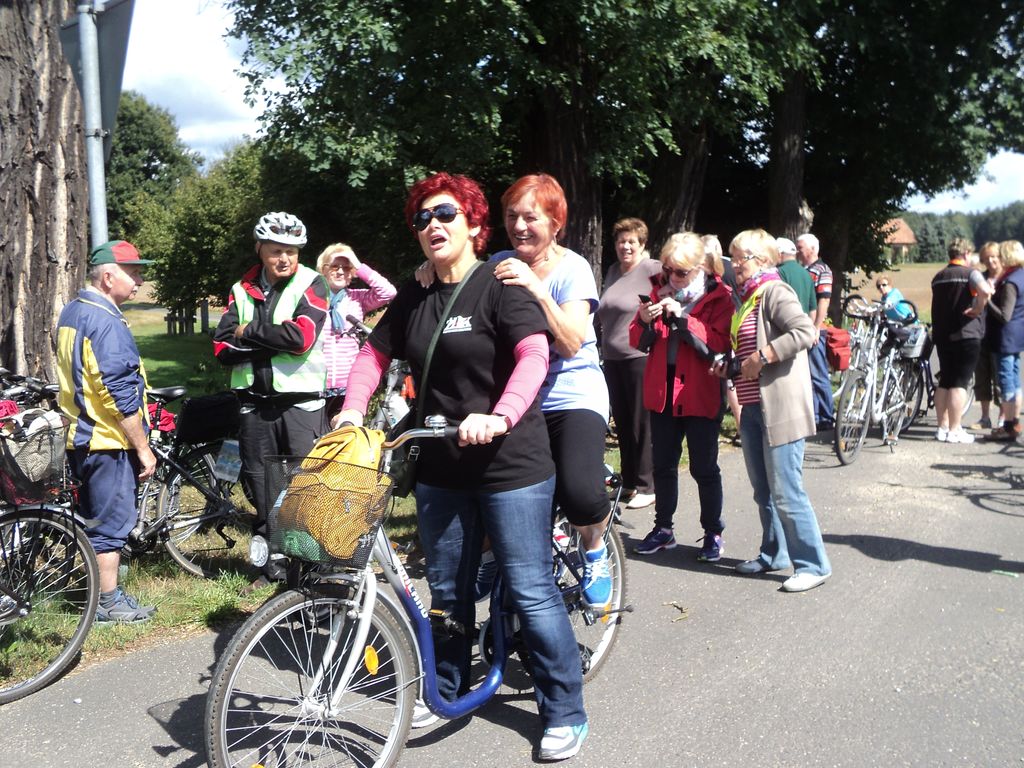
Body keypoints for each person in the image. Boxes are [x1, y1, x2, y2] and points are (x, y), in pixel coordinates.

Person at [338, 172, 589, 760]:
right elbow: (374, 354)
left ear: (474, 224)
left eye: (446, 214)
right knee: (448, 589)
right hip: (442, 464)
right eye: (422, 218)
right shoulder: (416, 292)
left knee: (530, 587)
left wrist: (501, 416)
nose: (433, 225)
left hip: (510, 463)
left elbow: (534, 355)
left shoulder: (501, 283)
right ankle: (447, 688)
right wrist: (351, 410)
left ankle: (564, 710)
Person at [416, 173, 614, 609]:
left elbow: (570, 342)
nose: (519, 226)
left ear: (556, 223)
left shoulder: (573, 269)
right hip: (515, 396)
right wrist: (434, 270)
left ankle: (595, 548)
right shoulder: (499, 262)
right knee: (491, 483)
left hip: (569, 395)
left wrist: (536, 289)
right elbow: (463, 284)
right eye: (511, 216)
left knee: (580, 492)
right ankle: (494, 554)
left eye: (531, 217)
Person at [713, 229, 831, 592]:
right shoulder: (748, 298)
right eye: (733, 258)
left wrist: (763, 356)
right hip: (753, 407)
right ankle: (774, 553)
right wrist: (731, 365)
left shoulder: (775, 291)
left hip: (780, 408)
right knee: (763, 490)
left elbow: (805, 332)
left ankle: (813, 564)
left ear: (763, 260)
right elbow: (748, 349)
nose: (735, 266)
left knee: (786, 490)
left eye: (742, 259)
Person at [212, 211, 330, 575]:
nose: (285, 258)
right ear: (259, 249)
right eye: (277, 250)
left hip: (300, 404)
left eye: (292, 251)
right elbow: (222, 348)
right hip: (254, 404)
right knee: (261, 489)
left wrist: (247, 332)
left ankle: (309, 571)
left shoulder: (312, 283)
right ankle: (270, 569)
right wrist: (271, 338)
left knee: (305, 488)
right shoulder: (240, 289)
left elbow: (301, 338)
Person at [57, 240, 158, 623]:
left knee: (94, 519)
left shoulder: (73, 311)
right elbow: (118, 394)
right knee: (110, 524)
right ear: (109, 276)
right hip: (106, 440)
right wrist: (143, 447)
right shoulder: (105, 321)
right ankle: (106, 602)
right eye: (133, 273)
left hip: (81, 437)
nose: (139, 281)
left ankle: (101, 594)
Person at [630, 232, 732, 560]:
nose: (672, 277)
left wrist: (684, 319)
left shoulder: (720, 297)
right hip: (663, 392)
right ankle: (663, 529)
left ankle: (713, 532)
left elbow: (719, 345)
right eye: (668, 269)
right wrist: (644, 321)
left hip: (700, 392)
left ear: (700, 268)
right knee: (663, 465)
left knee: (704, 467)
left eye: (681, 272)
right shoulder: (658, 290)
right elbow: (637, 342)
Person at [596, 218, 660, 511]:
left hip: (639, 357)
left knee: (640, 422)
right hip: (612, 358)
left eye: (631, 241)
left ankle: (648, 485)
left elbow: (672, 295)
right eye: (621, 241)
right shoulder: (613, 271)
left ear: (642, 244)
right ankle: (631, 482)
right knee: (622, 422)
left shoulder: (652, 269)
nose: (625, 246)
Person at [315, 242, 396, 420]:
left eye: (346, 267)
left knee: (344, 434)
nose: (340, 272)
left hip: (348, 387)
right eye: (335, 266)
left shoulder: (357, 298)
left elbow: (388, 292)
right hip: (316, 386)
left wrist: (358, 266)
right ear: (323, 269)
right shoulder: (312, 299)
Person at [930, 237, 992, 444]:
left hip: (942, 334)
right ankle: (955, 429)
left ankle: (942, 427)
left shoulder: (939, 277)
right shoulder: (970, 274)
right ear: (966, 254)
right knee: (960, 382)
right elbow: (985, 291)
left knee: (945, 381)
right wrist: (978, 308)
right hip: (966, 334)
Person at [704, 234, 743, 437]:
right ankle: (742, 425)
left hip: (727, 322)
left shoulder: (717, 271)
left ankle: (741, 425)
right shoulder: (731, 267)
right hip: (738, 318)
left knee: (730, 380)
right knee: (733, 377)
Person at [985, 240, 1024, 440]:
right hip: (1017, 335)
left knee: (1006, 379)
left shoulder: (1010, 282)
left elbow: (1004, 315)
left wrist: (987, 300)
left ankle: (1008, 425)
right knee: (1015, 378)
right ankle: (1014, 421)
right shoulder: (1021, 275)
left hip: (1005, 337)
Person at [796, 233, 835, 430]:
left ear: (812, 249)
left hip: (815, 330)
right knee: (809, 375)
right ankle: (815, 416)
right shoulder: (804, 270)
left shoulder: (822, 270)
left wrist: (817, 327)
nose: (797, 251)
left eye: (800, 248)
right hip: (805, 328)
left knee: (818, 374)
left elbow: (824, 300)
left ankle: (826, 416)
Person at [972, 242, 1003, 430]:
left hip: (1001, 336)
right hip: (980, 334)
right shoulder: (980, 278)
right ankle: (985, 418)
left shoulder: (1006, 279)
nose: (990, 261)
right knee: (982, 378)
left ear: (1000, 257)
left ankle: (1002, 419)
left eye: (994, 256)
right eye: (987, 258)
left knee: (1000, 380)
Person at [775, 237, 815, 315]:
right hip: (804, 320)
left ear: (779, 254)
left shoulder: (778, 272)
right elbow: (813, 309)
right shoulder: (806, 273)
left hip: (786, 320)